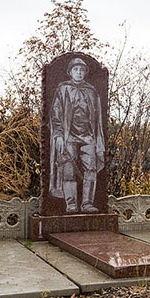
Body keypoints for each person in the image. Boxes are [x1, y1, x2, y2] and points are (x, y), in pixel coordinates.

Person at [49, 57, 105, 213]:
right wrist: (59, 135)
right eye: (76, 69)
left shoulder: (91, 91)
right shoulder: (63, 89)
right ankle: (71, 203)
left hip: (88, 137)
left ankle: (87, 203)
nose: (79, 73)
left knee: (91, 169)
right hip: (69, 136)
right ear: (70, 72)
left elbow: (97, 118)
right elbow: (56, 114)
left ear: (85, 73)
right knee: (68, 170)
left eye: (82, 70)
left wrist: (97, 139)